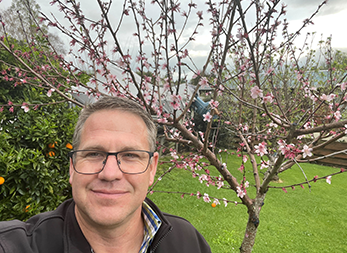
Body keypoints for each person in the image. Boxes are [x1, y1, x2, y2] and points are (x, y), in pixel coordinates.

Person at [0, 96, 211, 253]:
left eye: (130, 155)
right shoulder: (15, 246)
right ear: (72, 167)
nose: (110, 174)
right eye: (93, 153)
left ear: (152, 168)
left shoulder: (187, 242)